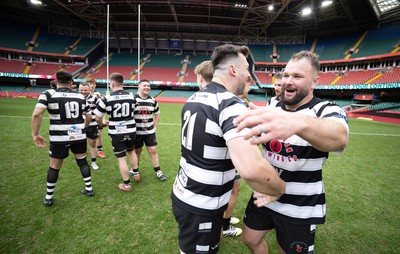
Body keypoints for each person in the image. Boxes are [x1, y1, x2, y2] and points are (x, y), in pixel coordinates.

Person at [171, 44, 285, 254]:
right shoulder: (229, 104)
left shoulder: (194, 98)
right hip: (202, 204)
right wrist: (279, 189)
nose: (249, 76)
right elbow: (252, 170)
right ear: (233, 70)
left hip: (185, 192)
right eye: (246, 69)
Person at [234, 51, 349, 254]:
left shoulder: (325, 109)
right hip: (265, 193)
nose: (288, 81)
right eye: (286, 75)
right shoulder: (274, 105)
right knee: (249, 239)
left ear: (314, 81)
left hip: (299, 205)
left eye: (297, 76)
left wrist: (296, 123)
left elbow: (340, 138)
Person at [194, 60, 243, 237]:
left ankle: (223, 223)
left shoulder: (197, 99)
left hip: (203, 164)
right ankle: (224, 225)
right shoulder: (226, 101)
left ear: (201, 77)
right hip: (224, 161)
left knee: (229, 192)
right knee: (231, 191)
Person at [31, 70, 95, 207]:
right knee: (82, 161)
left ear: (56, 80)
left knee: (54, 166)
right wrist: (83, 127)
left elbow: (37, 114)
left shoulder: (48, 94)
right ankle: (89, 189)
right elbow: (89, 116)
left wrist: (35, 134)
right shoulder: (80, 97)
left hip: (59, 137)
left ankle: (49, 197)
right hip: (78, 135)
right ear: (71, 82)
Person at [94, 72, 139, 192]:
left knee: (121, 158)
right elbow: (134, 110)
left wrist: (101, 124)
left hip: (117, 132)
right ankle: (136, 174)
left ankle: (127, 185)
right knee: (132, 151)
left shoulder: (107, 99)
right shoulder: (131, 96)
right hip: (131, 129)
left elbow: (97, 117)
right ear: (122, 83)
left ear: (112, 84)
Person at [130, 79, 166, 181]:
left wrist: (155, 127)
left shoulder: (153, 100)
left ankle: (158, 171)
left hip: (149, 132)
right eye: (144, 85)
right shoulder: (133, 99)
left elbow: (157, 113)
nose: (147, 88)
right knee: (137, 151)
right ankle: (134, 169)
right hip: (136, 132)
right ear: (139, 87)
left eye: (148, 86)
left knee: (153, 151)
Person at [79, 82, 100, 170]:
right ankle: (81, 162)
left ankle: (93, 162)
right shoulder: (75, 98)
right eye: (81, 90)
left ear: (89, 89)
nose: (83, 92)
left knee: (92, 143)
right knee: (80, 144)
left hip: (92, 125)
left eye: (85, 90)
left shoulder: (95, 98)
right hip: (79, 125)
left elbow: (101, 109)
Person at [87, 77, 107, 159]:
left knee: (98, 134)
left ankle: (99, 150)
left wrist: (103, 119)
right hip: (85, 119)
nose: (92, 86)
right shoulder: (83, 94)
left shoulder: (97, 94)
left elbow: (103, 108)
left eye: (93, 84)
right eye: (90, 84)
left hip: (95, 119)